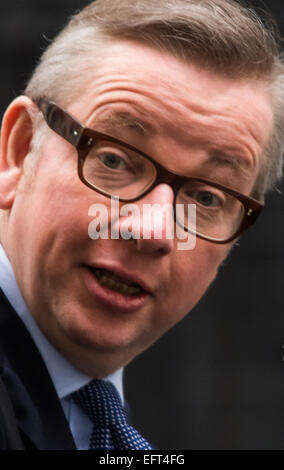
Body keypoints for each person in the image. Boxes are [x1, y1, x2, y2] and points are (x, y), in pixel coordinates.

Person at [0, 0, 283, 450]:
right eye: (114, 159)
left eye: (206, 197)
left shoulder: (102, 421)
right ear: (20, 151)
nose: (152, 230)